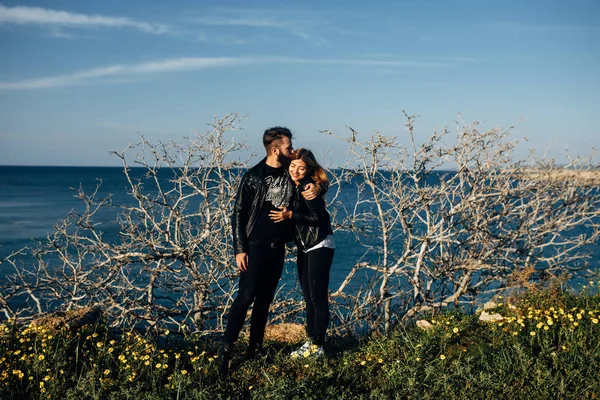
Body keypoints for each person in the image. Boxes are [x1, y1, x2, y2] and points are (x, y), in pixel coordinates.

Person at [219, 127, 321, 376]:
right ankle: (226, 351)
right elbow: (238, 214)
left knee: (264, 301)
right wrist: (239, 250)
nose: (292, 150)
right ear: (275, 150)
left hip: (277, 249)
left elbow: (314, 176)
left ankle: (255, 349)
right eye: (288, 147)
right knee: (245, 298)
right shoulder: (254, 176)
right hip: (254, 248)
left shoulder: (291, 172)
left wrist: (318, 187)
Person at [269, 148, 335, 359]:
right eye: (293, 166)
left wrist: (290, 215)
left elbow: (320, 219)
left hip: (319, 244)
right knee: (308, 298)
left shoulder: (307, 186)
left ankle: (318, 346)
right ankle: (312, 342)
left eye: (301, 168)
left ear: (309, 170)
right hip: (305, 246)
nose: (296, 171)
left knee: (317, 299)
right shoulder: (297, 185)